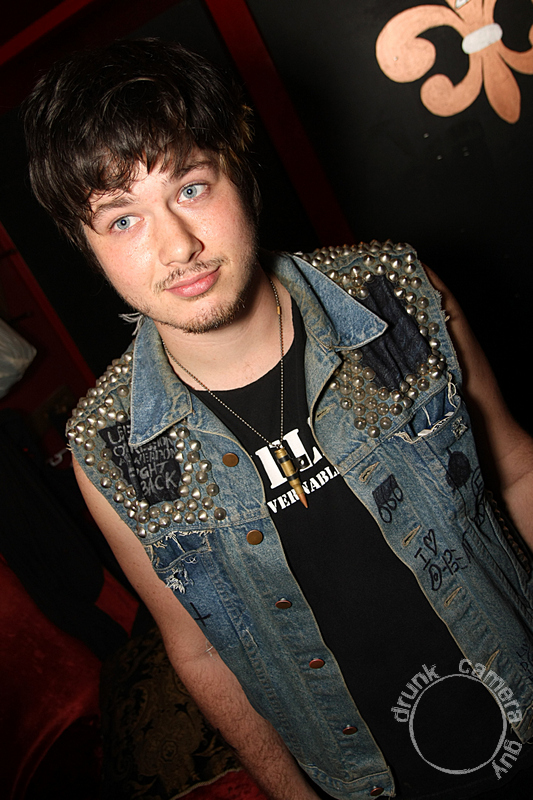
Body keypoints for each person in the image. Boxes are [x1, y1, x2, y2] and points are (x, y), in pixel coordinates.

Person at [22, 38, 533, 800]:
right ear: (85, 244)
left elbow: (518, 470)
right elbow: (198, 652)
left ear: (239, 169)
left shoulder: (392, 294)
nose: (177, 245)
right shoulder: (112, 448)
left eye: (191, 187)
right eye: (122, 219)